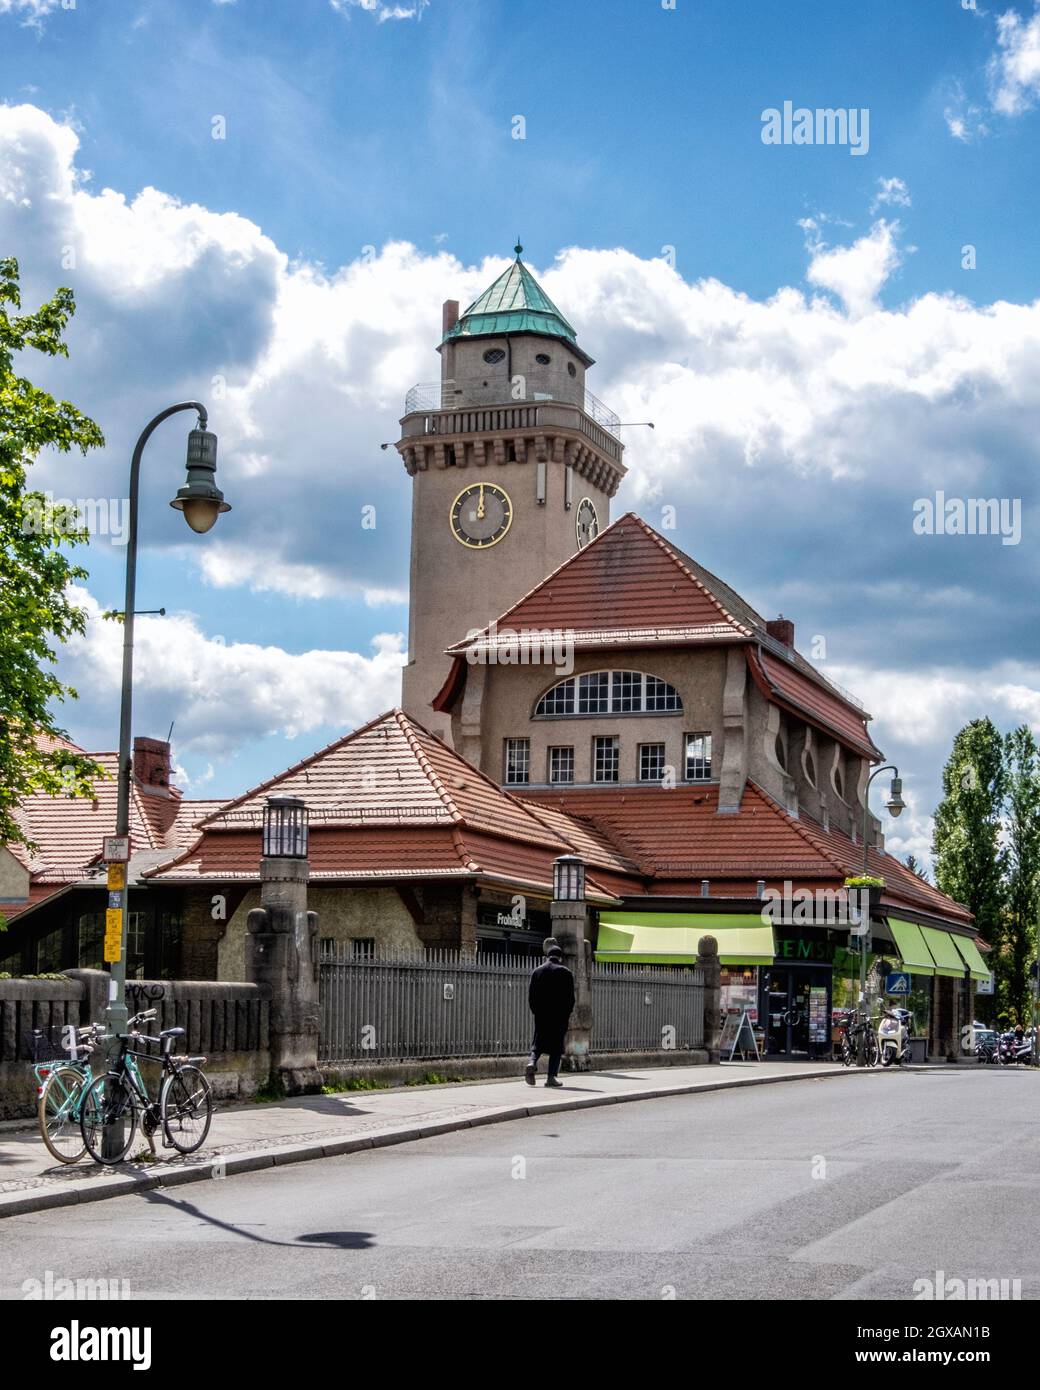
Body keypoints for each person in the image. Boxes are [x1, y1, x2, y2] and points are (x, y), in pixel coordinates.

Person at [525, 945, 575, 1088]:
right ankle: (551, 1077)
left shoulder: (537, 971)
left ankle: (532, 1062)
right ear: (560, 958)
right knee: (556, 1047)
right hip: (559, 1017)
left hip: (541, 1016)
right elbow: (570, 998)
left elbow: (531, 997)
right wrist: (566, 1014)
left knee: (538, 1044)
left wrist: (536, 1012)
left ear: (547, 956)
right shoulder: (566, 972)